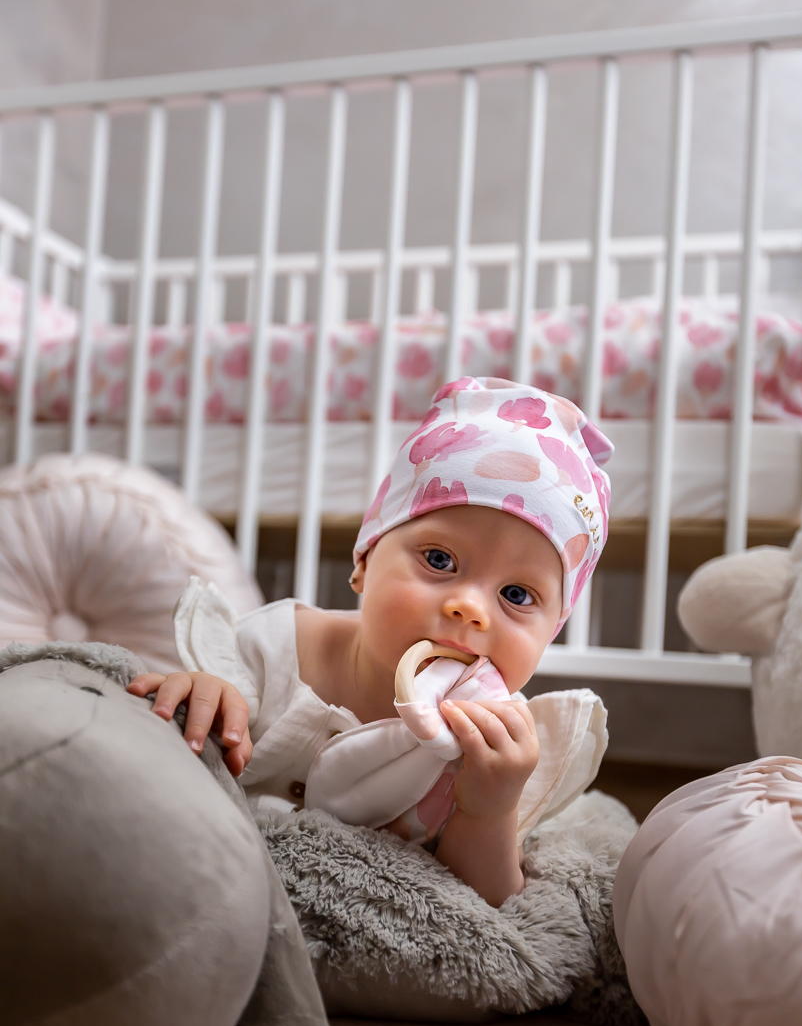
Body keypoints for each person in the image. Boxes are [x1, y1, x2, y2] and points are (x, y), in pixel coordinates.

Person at [128, 376, 613, 907]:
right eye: (439, 560)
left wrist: (488, 809)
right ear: (365, 559)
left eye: (517, 594)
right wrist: (204, 693)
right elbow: (186, 732)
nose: (469, 608)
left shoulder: (495, 747)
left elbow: (486, 904)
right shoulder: (278, 646)